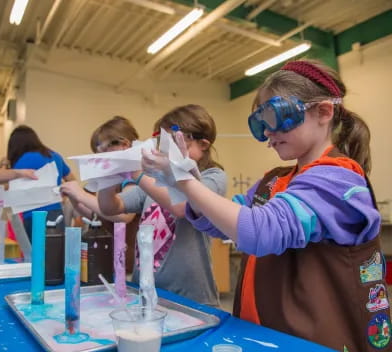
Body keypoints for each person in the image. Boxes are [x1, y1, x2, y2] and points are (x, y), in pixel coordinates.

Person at [142, 60, 389, 351]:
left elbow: (259, 232)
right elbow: (219, 221)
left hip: (316, 342)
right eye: (260, 124)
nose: (269, 134)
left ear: (323, 112)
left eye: (278, 117)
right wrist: (186, 174)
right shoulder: (273, 182)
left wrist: (183, 182)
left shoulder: (339, 179)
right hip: (267, 337)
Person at [98, 105, 227, 306]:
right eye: (162, 141)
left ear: (203, 144)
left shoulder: (214, 178)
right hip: (147, 296)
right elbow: (111, 208)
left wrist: (136, 173)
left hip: (192, 299)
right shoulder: (154, 180)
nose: (164, 150)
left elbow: (182, 206)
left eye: (174, 142)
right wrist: (108, 177)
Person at [60, 116, 140, 272]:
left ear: (124, 145)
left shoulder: (135, 175)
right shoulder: (114, 176)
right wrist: (75, 198)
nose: (98, 156)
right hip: (106, 259)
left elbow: (123, 215)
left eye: (103, 149)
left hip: (127, 264)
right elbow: (96, 214)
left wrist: (81, 195)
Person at [7, 125, 76, 241]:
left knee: (37, 255)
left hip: (33, 216)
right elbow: (73, 181)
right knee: (56, 254)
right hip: (57, 214)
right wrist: (62, 192)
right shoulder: (55, 156)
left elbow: (12, 190)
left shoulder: (21, 160)